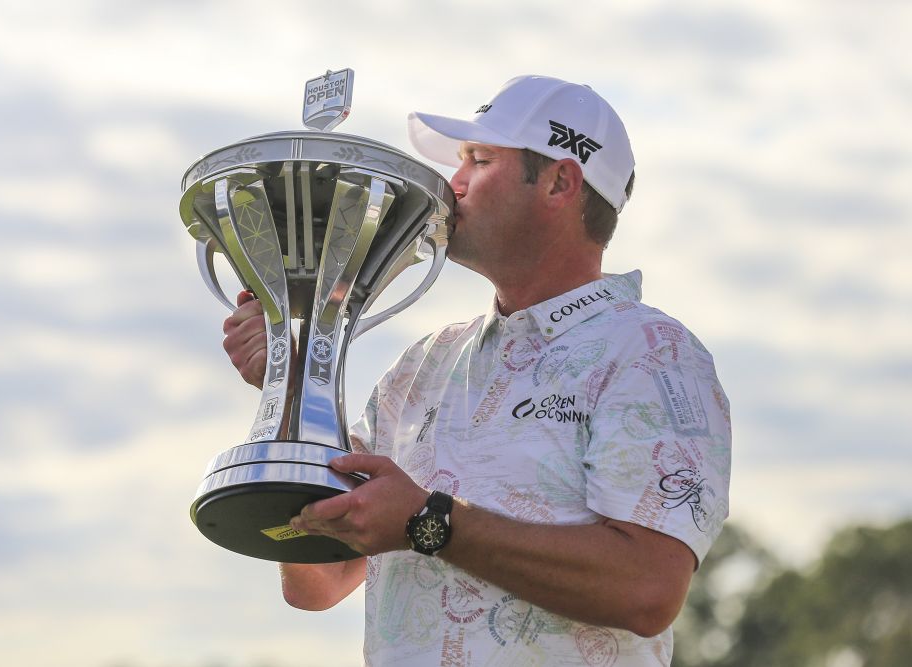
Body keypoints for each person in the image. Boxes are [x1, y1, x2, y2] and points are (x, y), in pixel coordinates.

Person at [222, 75, 732, 666]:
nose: (453, 183)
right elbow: (318, 582)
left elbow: (648, 589)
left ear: (560, 182)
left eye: (479, 160)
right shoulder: (423, 363)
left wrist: (427, 520)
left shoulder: (650, 352)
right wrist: (291, 393)